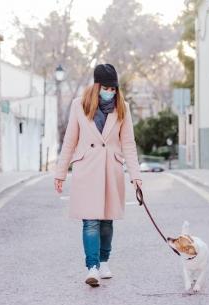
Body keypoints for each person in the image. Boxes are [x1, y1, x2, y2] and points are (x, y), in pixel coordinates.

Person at [53, 63, 142, 287]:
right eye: (106, 88)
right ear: (97, 86)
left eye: (114, 89)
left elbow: (128, 144)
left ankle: (104, 261)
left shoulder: (123, 107)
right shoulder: (78, 106)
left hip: (111, 170)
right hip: (87, 170)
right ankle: (92, 267)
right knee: (90, 221)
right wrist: (61, 172)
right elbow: (70, 141)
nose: (110, 93)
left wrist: (136, 175)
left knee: (106, 222)